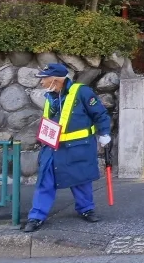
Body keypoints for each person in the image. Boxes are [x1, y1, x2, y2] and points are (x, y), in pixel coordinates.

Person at [23, 63, 112, 233]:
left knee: (81, 180)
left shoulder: (82, 92)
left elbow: (100, 113)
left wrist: (104, 133)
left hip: (77, 146)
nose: (41, 83)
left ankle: (86, 209)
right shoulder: (50, 96)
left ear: (55, 80)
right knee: (45, 181)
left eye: (44, 79)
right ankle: (36, 217)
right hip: (53, 147)